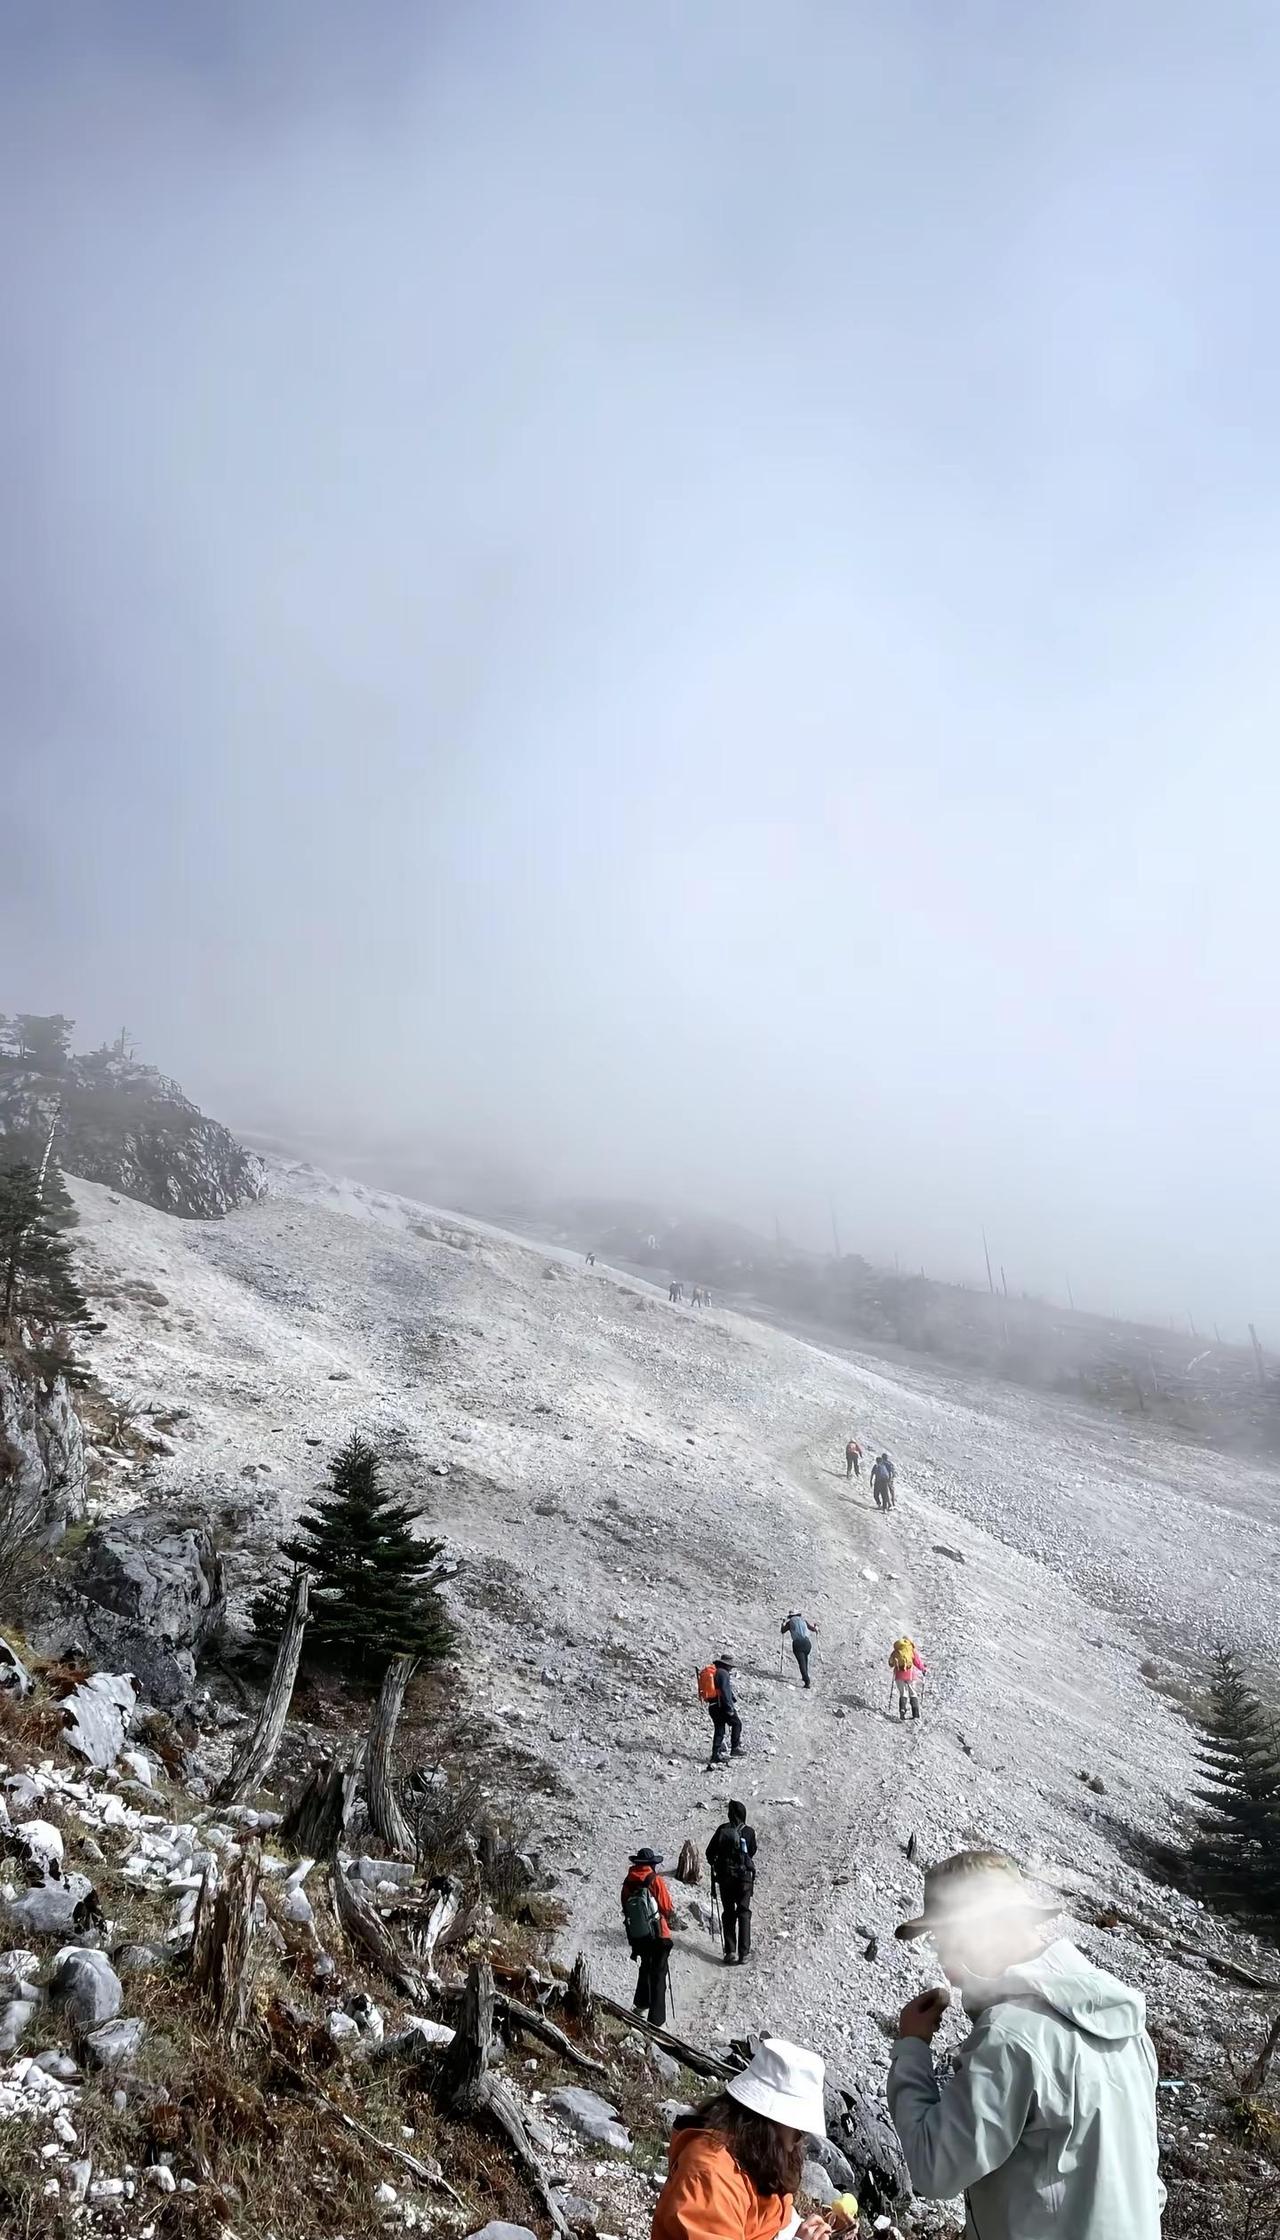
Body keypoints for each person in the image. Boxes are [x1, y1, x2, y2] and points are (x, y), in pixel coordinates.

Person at [887, 1850, 1164, 2240]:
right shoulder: (1126, 2023)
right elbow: (1147, 2183)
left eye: (943, 1939)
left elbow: (934, 2168)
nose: (947, 1968)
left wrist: (912, 2049)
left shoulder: (1009, 2037)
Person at [652, 2037, 831, 2240]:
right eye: (798, 2124)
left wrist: (810, 2231)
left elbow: (774, 2221)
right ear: (768, 2121)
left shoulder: (760, 2157)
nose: (802, 2134)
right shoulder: (710, 2174)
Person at [621, 1845, 676, 2027]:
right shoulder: (654, 1879)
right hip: (659, 1934)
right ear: (651, 1864)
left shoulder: (628, 1881)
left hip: (639, 1936)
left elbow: (625, 1906)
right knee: (659, 1975)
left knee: (645, 1967)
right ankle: (656, 2020)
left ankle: (640, 2006)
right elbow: (666, 1907)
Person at [706, 1799, 757, 1965]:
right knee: (743, 1911)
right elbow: (752, 1851)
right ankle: (744, 1953)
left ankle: (730, 1952)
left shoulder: (722, 1829)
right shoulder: (748, 1832)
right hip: (743, 1879)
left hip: (725, 1878)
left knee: (728, 1913)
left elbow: (709, 1853)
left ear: (730, 1814)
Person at [708, 1654, 744, 1764]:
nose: (731, 1668)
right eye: (731, 1666)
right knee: (737, 1723)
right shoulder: (723, 1673)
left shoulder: (716, 1672)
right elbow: (725, 1691)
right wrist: (729, 1708)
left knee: (719, 1729)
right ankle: (735, 1748)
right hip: (722, 1705)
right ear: (726, 1665)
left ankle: (715, 1754)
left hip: (713, 1705)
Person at [889, 1637, 926, 1720]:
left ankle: (902, 1709)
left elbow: (890, 1663)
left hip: (899, 1675)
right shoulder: (911, 1651)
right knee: (913, 1693)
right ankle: (915, 1714)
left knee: (903, 1693)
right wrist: (923, 1669)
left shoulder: (896, 1651)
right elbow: (918, 1662)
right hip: (910, 1675)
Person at [779, 1610, 817, 1688]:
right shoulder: (803, 1620)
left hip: (797, 1643)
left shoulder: (790, 1622)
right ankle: (805, 1676)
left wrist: (783, 1624)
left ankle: (807, 1681)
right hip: (807, 1643)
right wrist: (815, 1627)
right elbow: (813, 1629)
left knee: (801, 1662)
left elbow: (783, 1631)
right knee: (805, 1659)